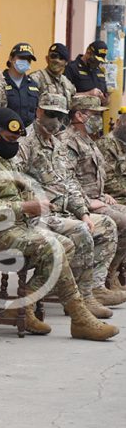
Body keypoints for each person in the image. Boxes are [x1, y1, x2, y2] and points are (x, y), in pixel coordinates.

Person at [0, 108, 119, 340]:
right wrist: (24, 208)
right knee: (52, 245)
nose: (14, 145)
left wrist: (33, 201)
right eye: (10, 139)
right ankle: (79, 317)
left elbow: (15, 190)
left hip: (14, 226)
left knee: (66, 244)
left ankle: (24, 305)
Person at [15, 93, 118, 318]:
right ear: (38, 112)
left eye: (59, 116)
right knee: (80, 231)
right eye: (50, 114)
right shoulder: (25, 143)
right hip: (38, 215)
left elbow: (69, 182)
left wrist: (82, 212)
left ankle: (91, 289)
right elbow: (14, 180)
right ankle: (78, 299)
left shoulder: (56, 143)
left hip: (64, 211)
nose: (54, 120)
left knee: (106, 225)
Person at [60, 96, 126, 307]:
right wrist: (88, 202)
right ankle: (97, 284)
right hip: (76, 204)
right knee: (120, 220)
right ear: (79, 115)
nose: (99, 118)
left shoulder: (87, 139)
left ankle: (108, 276)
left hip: (95, 199)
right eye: (95, 114)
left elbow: (95, 176)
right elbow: (66, 179)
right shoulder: (68, 141)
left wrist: (101, 194)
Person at [97, 110, 126, 291]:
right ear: (119, 122)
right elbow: (106, 180)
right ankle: (110, 274)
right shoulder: (107, 145)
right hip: (111, 198)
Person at [29, 43, 77, 111]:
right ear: (47, 58)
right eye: (53, 56)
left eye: (61, 58)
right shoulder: (35, 79)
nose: (56, 60)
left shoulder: (68, 84)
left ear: (66, 63)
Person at [3, 43, 40, 127]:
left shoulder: (33, 85)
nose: (25, 62)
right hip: (6, 134)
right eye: (22, 58)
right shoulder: (0, 82)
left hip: (29, 135)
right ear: (11, 58)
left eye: (28, 60)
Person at [65, 40, 109, 106]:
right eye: (96, 60)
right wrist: (88, 94)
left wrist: (106, 100)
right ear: (88, 52)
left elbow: (106, 94)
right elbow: (65, 96)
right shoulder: (71, 68)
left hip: (97, 114)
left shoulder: (99, 71)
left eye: (100, 61)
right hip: (79, 113)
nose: (98, 63)